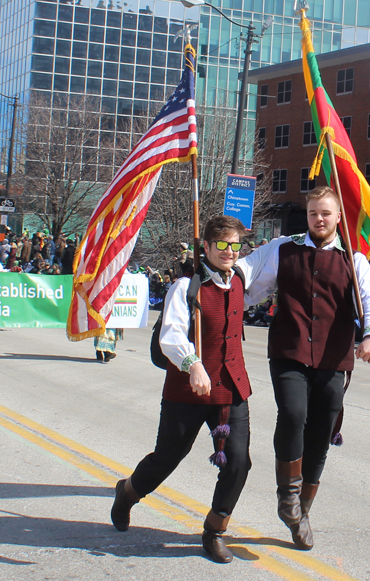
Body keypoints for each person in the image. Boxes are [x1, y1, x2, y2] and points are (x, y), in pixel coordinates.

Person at [242, 186, 370, 551]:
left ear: (338, 217)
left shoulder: (354, 260)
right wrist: (217, 287)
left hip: (333, 357)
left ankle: (302, 510)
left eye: (325, 213)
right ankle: (287, 495)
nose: (318, 219)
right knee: (293, 414)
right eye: (312, 213)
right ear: (306, 216)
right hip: (289, 352)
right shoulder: (283, 248)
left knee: (321, 432)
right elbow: (249, 281)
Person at [110, 216, 257, 564]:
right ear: (205, 247)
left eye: (235, 245)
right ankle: (128, 492)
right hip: (187, 389)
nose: (229, 252)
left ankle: (214, 530)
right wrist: (193, 364)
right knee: (167, 458)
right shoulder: (185, 287)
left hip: (231, 387)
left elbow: (272, 262)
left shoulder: (239, 279)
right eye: (222, 244)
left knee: (238, 462)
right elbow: (171, 335)